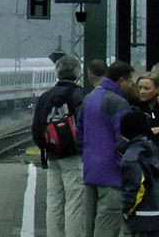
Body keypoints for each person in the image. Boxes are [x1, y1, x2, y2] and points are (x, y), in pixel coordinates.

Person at [79, 60, 135, 237]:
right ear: (121, 81)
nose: (131, 85)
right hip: (111, 174)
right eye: (130, 81)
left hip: (90, 170)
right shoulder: (118, 102)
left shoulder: (89, 98)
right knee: (108, 223)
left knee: (89, 222)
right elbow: (125, 138)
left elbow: (79, 134)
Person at [32, 55, 86, 237]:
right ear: (77, 73)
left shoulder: (46, 96)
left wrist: (47, 147)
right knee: (74, 202)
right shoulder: (79, 95)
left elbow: (36, 128)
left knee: (54, 201)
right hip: (73, 157)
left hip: (52, 156)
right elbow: (84, 125)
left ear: (57, 73)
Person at [119, 110, 159, 237]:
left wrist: (126, 209)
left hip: (143, 217)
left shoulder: (131, 157)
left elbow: (135, 187)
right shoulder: (151, 147)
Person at [136, 72, 159, 145]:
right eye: (140, 88)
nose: (142, 92)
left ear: (157, 89)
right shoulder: (135, 108)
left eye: (147, 88)